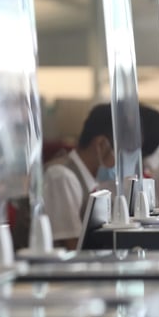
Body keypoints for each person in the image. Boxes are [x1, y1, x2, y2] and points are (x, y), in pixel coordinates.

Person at [44, 104, 114, 250]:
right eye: (118, 153)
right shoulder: (62, 176)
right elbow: (73, 246)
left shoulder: (93, 180)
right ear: (100, 145)